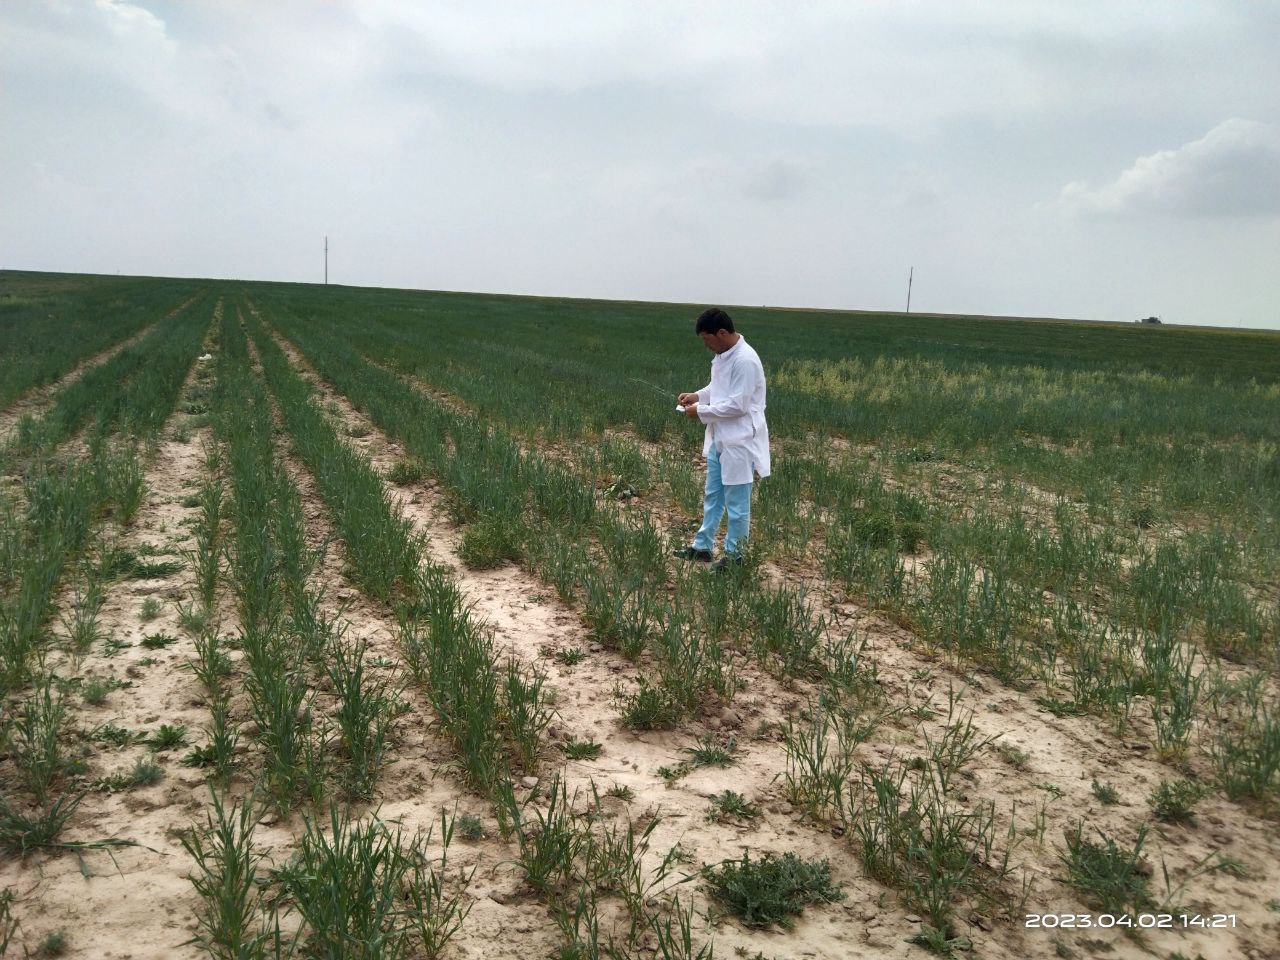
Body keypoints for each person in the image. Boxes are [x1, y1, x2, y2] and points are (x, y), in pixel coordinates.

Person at [674, 307, 770, 571]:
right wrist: (698, 396)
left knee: (737, 503)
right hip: (720, 438)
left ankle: (735, 557)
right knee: (714, 495)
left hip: (740, 441)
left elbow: (738, 405)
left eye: (707, 339)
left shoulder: (745, 360)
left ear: (722, 333)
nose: (706, 345)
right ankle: (702, 547)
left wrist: (701, 412)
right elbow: (719, 389)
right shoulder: (724, 354)